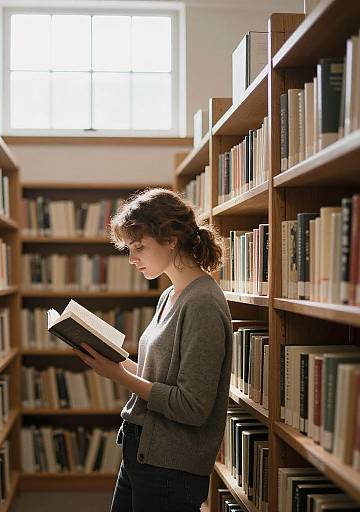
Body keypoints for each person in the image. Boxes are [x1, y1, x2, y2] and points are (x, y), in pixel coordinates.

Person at [74, 188, 233, 512]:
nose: (132, 259)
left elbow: (192, 406)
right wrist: (115, 363)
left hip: (170, 467)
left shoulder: (202, 304)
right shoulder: (170, 295)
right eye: (129, 249)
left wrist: (119, 376)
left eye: (139, 247)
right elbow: (158, 378)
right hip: (142, 451)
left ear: (171, 239)